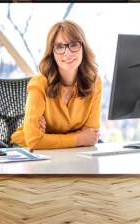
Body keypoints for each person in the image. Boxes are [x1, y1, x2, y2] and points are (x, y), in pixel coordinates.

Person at [11, 20, 102, 150]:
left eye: (74, 44)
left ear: (83, 47)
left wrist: (47, 137)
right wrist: (78, 138)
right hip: (28, 152)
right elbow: (34, 140)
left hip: (68, 153)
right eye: (59, 47)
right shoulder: (39, 83)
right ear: (52, 52)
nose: (67, 53)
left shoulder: (94, 82)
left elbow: (91, 135)